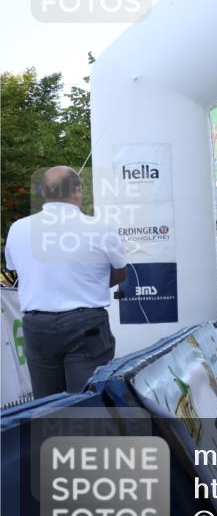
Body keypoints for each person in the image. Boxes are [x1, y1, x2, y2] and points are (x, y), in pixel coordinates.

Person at [4, 166, 128, 397]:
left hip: (37, 326)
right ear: (77, 191)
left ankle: (50, 434)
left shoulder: (18, 229)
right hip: (86, 325)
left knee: (47, 403)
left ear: (44, 192)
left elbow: (16, 267)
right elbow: (121, 272)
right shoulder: (101, 227)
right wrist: (91, 284)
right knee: (88, 400)